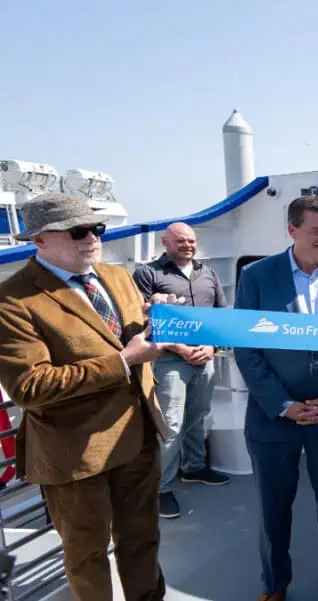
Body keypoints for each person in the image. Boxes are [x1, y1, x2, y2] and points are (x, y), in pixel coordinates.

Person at [0, 192, 170, 601]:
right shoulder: (12, 300)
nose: (92, 237)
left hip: (138, 436)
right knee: (87, 554)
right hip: (75, 453)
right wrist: (124, 361)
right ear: (39, 239)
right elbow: (31, 388)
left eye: (96, 228)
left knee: (142, 540)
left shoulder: (115, 276)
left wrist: (161, 323)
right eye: (78, 231)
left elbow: (121, 333)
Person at [233, 195, 318, 601]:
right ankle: (275, 585)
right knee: (273, 507)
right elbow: (246, 347)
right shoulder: (257, 276)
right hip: (273, 417)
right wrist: (283, 404)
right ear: (292, 230)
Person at [133, 221, 231, 520]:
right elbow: (139, 318)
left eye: (191, 240)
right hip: (168, 360)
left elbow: (221, 317)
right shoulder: (148, 274)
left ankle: (194, 467)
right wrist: (180, 348)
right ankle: (160, 488)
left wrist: (212, 349)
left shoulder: (208, 274)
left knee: (197, 415)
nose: (187, 245)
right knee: (171, 424)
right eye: (180, 241)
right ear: (165, 243)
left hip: (205, 357)